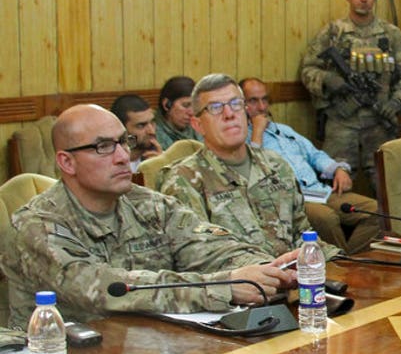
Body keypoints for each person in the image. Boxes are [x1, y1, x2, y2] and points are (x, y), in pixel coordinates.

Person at [0, 105, 295, 327]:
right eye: (104, 147)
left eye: (123, 142)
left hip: (148, 349)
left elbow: (209, 245)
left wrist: (265, 270)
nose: (122, 156)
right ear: (67, 162)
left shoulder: (148, 205)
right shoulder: (36, 226)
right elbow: (103, 288)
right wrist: (223, 286)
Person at [158, 74, 340, 259]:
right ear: (198, 125)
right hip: (241, 284)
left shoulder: (276, 165)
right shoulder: (184, 180)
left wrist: (338, 261)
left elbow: (302, 233)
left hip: (296, 277)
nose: (229, 114)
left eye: (235, 103)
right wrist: (269, 271)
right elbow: (198, 254)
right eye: (215, 108)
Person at [300, 0, 401, 189]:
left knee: (390, 186)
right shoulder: (332, 34)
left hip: (379, 123)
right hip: (341, 122)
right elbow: (308, 70)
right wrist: (328, 80)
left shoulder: (390, 35)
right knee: (333, 185)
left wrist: (396, 102)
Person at [241, 77, 381, 254]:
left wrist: (338, 169)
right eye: (253, 101)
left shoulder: (284, 130)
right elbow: (252, 169)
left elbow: (315, 155)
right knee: (327, 218)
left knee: (376, 211)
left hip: (319, 191)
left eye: (265, 99)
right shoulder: (242, 137)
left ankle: (349, 259)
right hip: (291, 199)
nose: (261, 107)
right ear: (241, 104)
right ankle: (343, 263)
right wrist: (257, 132)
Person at [110, 93, 162, 172]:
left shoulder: (159, 157)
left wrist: (161, 168)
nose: (152, 131)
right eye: (141, 125)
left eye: (152, 122)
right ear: (121, 130)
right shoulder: (109, 165)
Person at [154, 75, 201, 149]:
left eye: (195, 105)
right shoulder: (153, 132)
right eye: (185, 105)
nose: (192, 112)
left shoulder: (197, 125)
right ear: (167, 105)